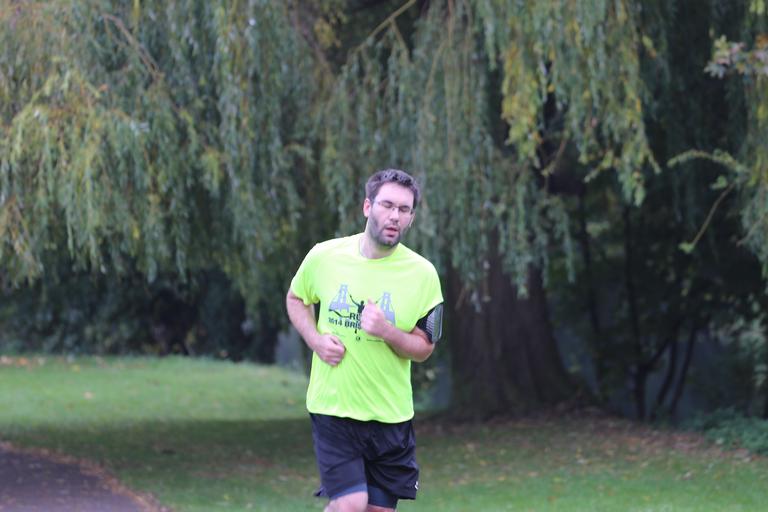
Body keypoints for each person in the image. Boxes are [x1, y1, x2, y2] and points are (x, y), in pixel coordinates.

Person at [286, 169, 444, 512]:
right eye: (387, 205)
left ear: (411, 218)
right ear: (367, 207)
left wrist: (387, 331)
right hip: (335, 409)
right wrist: (315, 340)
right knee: (351, 503)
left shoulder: (423, 275)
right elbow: (296, 298)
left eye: (404, 209)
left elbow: (424, 348)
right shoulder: (325, 256)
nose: (394, 216)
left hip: (391, 416)